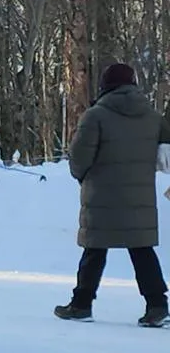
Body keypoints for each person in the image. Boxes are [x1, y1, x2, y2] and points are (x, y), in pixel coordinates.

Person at [54, 62, 170, 326]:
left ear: (106, 85)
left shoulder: (95, 116)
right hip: (139, 199)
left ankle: (82, 304)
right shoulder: (152, 117)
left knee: (94, 250)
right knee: (142, 251)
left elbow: (80, 157)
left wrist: (82, 176)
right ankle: (157, 305)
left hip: (102, 196)